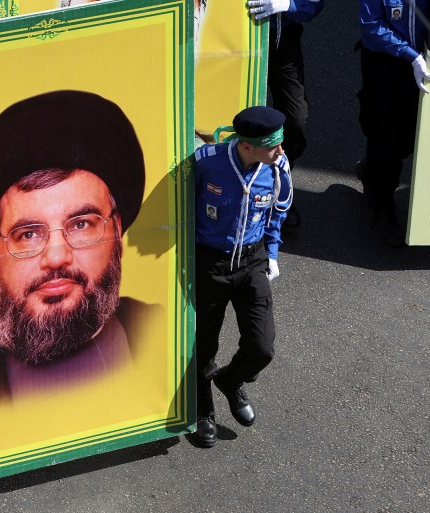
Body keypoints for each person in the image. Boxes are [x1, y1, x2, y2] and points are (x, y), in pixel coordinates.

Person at [0, 90, 164, 401]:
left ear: (115, 229)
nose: (57, 257)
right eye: (28, 234)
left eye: (81, 224)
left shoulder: (165, 333)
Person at [190, 106, 292, 448]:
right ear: (247, 146)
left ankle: (231, 380)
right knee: (204, 343)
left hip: (252, 260)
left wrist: (273, 252)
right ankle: (202, 408)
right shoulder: (205, 162)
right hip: (211, 263)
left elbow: (277, 210)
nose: (280, 151)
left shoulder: (277, 166)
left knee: (262, 346)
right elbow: (181, 208)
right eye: (272, 146)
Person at [356, 0, 430, 246]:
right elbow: (371, 25)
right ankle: (381, 203)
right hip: (386, 59)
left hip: (428, 59)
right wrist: (410, 56)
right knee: (384, 132)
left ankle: (372, 171)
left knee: (411, 136)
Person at [247, 0, 325, 230]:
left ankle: (277, 183)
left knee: (295, 120)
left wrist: (289, 4)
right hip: (233, 37)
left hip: (281, 38)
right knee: (235, 112)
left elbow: (314, 4)